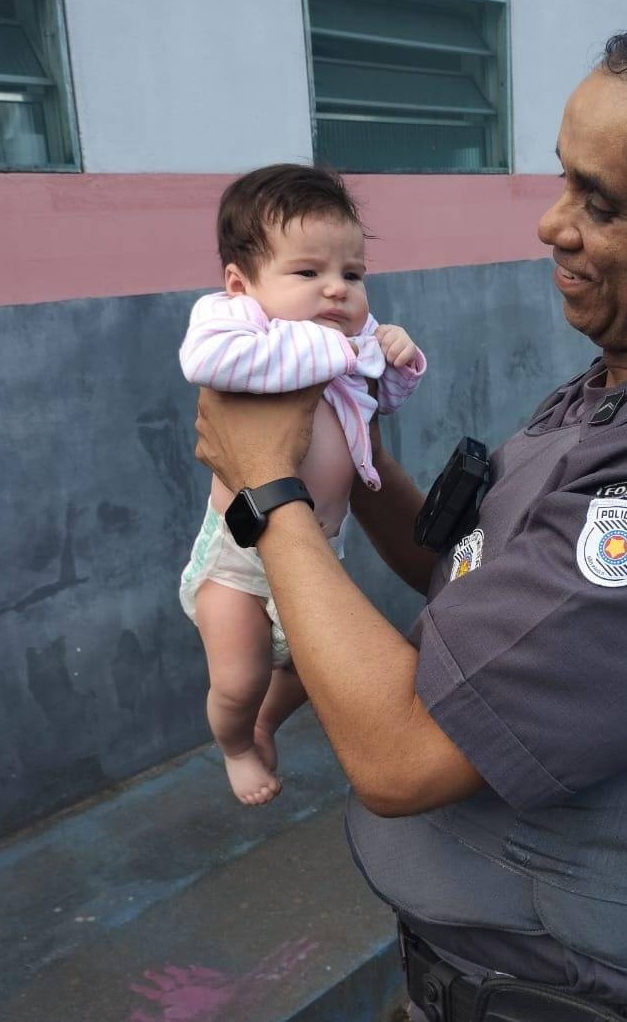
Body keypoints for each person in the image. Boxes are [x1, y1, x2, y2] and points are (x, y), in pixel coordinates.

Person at [192, 7, 627, 1021]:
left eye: (598, 199)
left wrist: (269, 495)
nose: (553, 222)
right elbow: (467, 576)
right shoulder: (619, 390)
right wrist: (357, 460)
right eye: (562, 179)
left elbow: (399, 756)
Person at [178, 164, 425, 805]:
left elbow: (381, 401)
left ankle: (265, 723)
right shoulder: (235, 323)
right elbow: (206, 363)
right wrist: (344, 352)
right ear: (241, 283)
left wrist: (396, 356)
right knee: (239, 677)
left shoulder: (348, 338)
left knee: (315, 671)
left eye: (353, 274)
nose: (336, 291)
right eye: (308, 272)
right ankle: (236, 742)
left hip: (319, 547)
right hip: (239, 554)